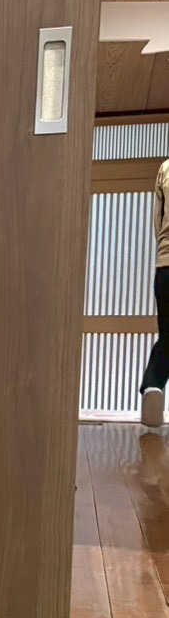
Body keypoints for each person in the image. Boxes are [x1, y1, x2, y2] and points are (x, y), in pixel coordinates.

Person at [140, 157, 169, 428]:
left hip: (166, 265)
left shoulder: (165, 169)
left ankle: (153, 385)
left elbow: (157, 223)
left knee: (167, 336)